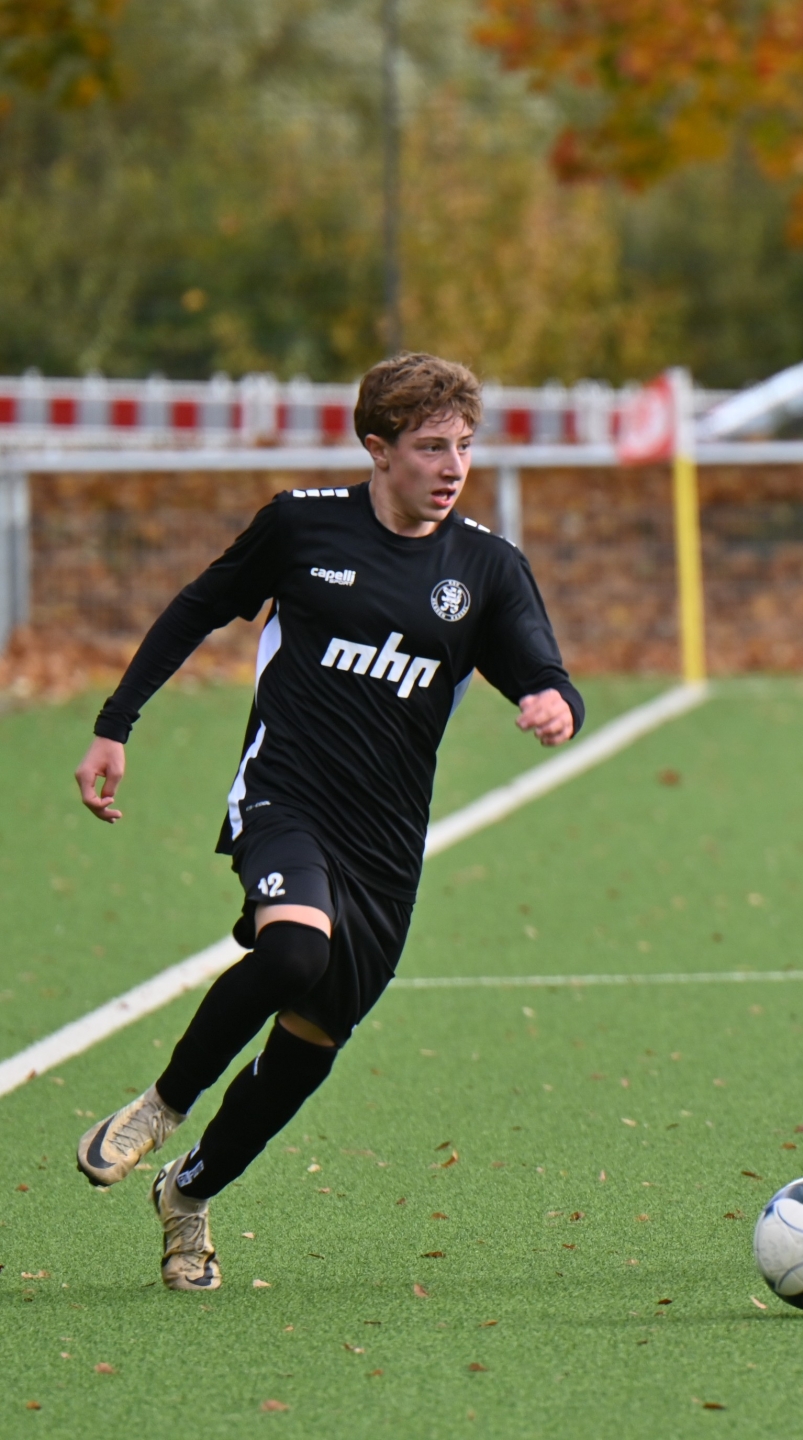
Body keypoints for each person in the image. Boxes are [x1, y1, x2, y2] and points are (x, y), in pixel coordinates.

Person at [72, 353, 584, 1290]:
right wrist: (116, 724)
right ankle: (161, 1106)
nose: (453, 467)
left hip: (386, 845)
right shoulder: (301, 526)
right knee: (293, 952)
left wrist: (554, 703)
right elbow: (196, 608)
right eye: (430, 447)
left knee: (312, 1042)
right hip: (287, 795)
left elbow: (544, 671)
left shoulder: (485, 567)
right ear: (377, 449)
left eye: (464, 446)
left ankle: (188, 1195)